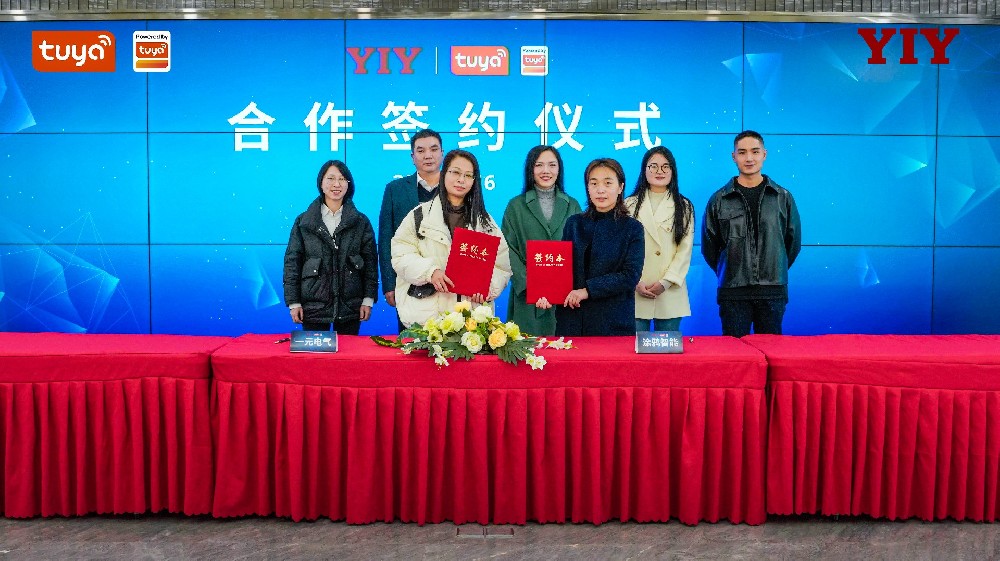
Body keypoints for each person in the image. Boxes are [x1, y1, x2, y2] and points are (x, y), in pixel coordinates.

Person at [391, 149, 512, 328]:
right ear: (444, 174)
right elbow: (401, 256)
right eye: (455, 172)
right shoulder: (419, 216)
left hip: (470, 322)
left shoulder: (486, 223)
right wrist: (430, 272)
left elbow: (502, 266)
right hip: (428, 320)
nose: (461, 180)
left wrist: (487, 286)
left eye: (468, 175)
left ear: (474, 181)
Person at [702, 130, 802, 337]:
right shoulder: (719, 199)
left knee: (771, 351)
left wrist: (775, 266)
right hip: (733, 291)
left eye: (755, 152)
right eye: (742, 152)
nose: (749, 158)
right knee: (735, 352)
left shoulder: (782, 197)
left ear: (764, 154)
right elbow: (709, 246)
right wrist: (730, 270)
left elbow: (792, 244)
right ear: (734, 157)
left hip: (773, 290)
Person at [536, 158, 644, 337]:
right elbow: (560, 268)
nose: (600, 190)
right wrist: (548, 294)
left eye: (608, 183)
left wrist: (587, 291)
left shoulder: (632, 228)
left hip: (612, 324)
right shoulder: (574, 223)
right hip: (572, 322)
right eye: (594, 183)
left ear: (620, 187)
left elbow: (630, 275)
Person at [283, 160, 378, 334]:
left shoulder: (360, 222)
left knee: (349, 351)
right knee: (315, 352)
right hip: (313, 306)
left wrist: (368, 299)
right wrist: (293, 302)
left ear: (349, 184)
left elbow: (370, 263)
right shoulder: (304, 222)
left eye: (342, 179)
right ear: (321, 183)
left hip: (351, 306)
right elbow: (292, 263)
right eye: (331, 178)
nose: (336, 184)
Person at [500, 145, 583, 336]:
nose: (546, 171)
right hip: (528, 297)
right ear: (530, 169)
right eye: (539, 165)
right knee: (527, 350)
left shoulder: (573, 205)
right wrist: (532, 287)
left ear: (559, 169)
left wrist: (568, 287)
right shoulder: (516, 206)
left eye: (552, 165)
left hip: (565, 298)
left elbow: (581, 250)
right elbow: (508, 249)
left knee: (564, 351)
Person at [378, 129, 443, 331]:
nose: (428, 155)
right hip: (408, 281)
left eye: (434, 149)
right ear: (412, 157)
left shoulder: (457, 188)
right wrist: (389, 283)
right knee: (410, 342)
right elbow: (386, 238)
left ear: (442, 154)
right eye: (421, 151)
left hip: (447, 282)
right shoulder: (395, 189)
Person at [625, 146, 694, 333]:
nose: (659, 171)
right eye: (653, 166)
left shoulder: (684, 206)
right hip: (636, 289)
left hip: (670, 291)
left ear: (673, 171)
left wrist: (666, 282)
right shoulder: (628, 205)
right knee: (634, 349)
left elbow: (685, 249)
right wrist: (635, 281)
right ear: (644, 170)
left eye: (665, 166)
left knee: (667, 349)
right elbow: (623, 250)